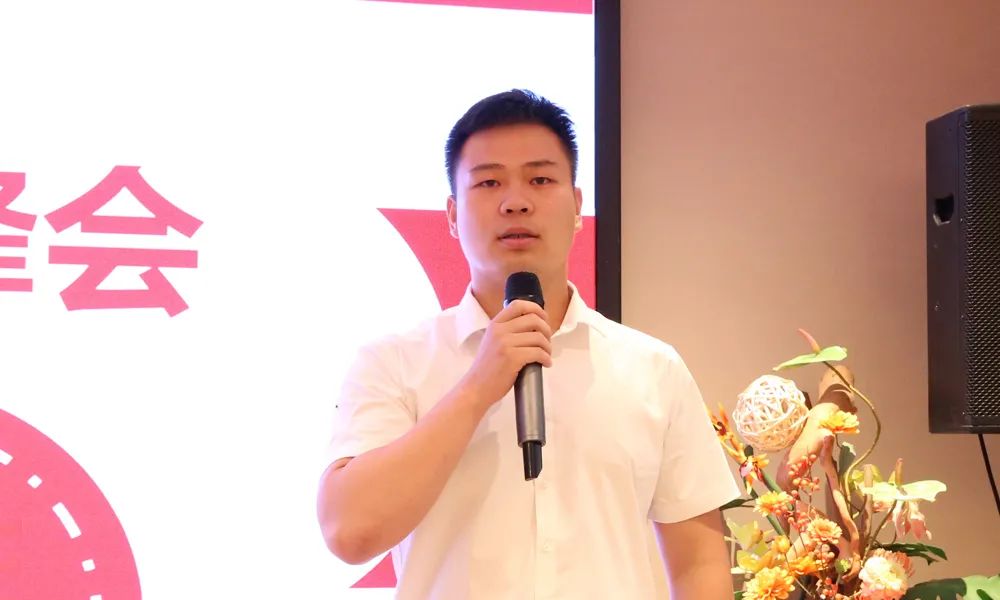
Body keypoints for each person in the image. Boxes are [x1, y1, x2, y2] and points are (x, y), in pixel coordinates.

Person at [316, 89, 739, 599]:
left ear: (577, 206)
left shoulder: (653, 368)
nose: (515, 201)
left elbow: (698, 565)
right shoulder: (394, 363)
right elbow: (349, 532)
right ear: (452, 215)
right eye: (488, 182)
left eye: (540, 179)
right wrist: (478, 386)